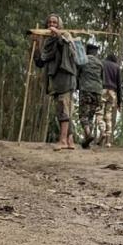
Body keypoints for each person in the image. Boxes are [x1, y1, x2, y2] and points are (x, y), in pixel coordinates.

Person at [34, 13, 78, 150]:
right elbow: (41, 62)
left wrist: (59, 34)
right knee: (62, 109)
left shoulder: (65, 37)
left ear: (59, 25)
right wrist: (36, 44)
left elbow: (65, 45)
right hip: (55, 80)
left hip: (65, 79)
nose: (51, 25)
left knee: (64, 109)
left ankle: (63, 140)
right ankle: (70, 141)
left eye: (54, 23)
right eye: (49, 23)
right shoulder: (48, 42)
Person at [77, 43, 104, 149]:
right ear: (96, 53)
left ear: (87, 51)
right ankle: (87, 142)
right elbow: (103, 78)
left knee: (83, 115)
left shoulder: (83, 60)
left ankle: (88, 134)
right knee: (91, 116)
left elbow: (77, 74)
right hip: (97, 91)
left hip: (86, 90)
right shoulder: (100, 63)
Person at [98, 54, 122, 148]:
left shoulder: (102, 63)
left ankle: (102, 131)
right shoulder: (117, 67)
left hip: (102, 89)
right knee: (108, 114)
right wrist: (120, 102)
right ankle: (108, 141)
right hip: (112, 92)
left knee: (99, 112)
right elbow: (119, 85)